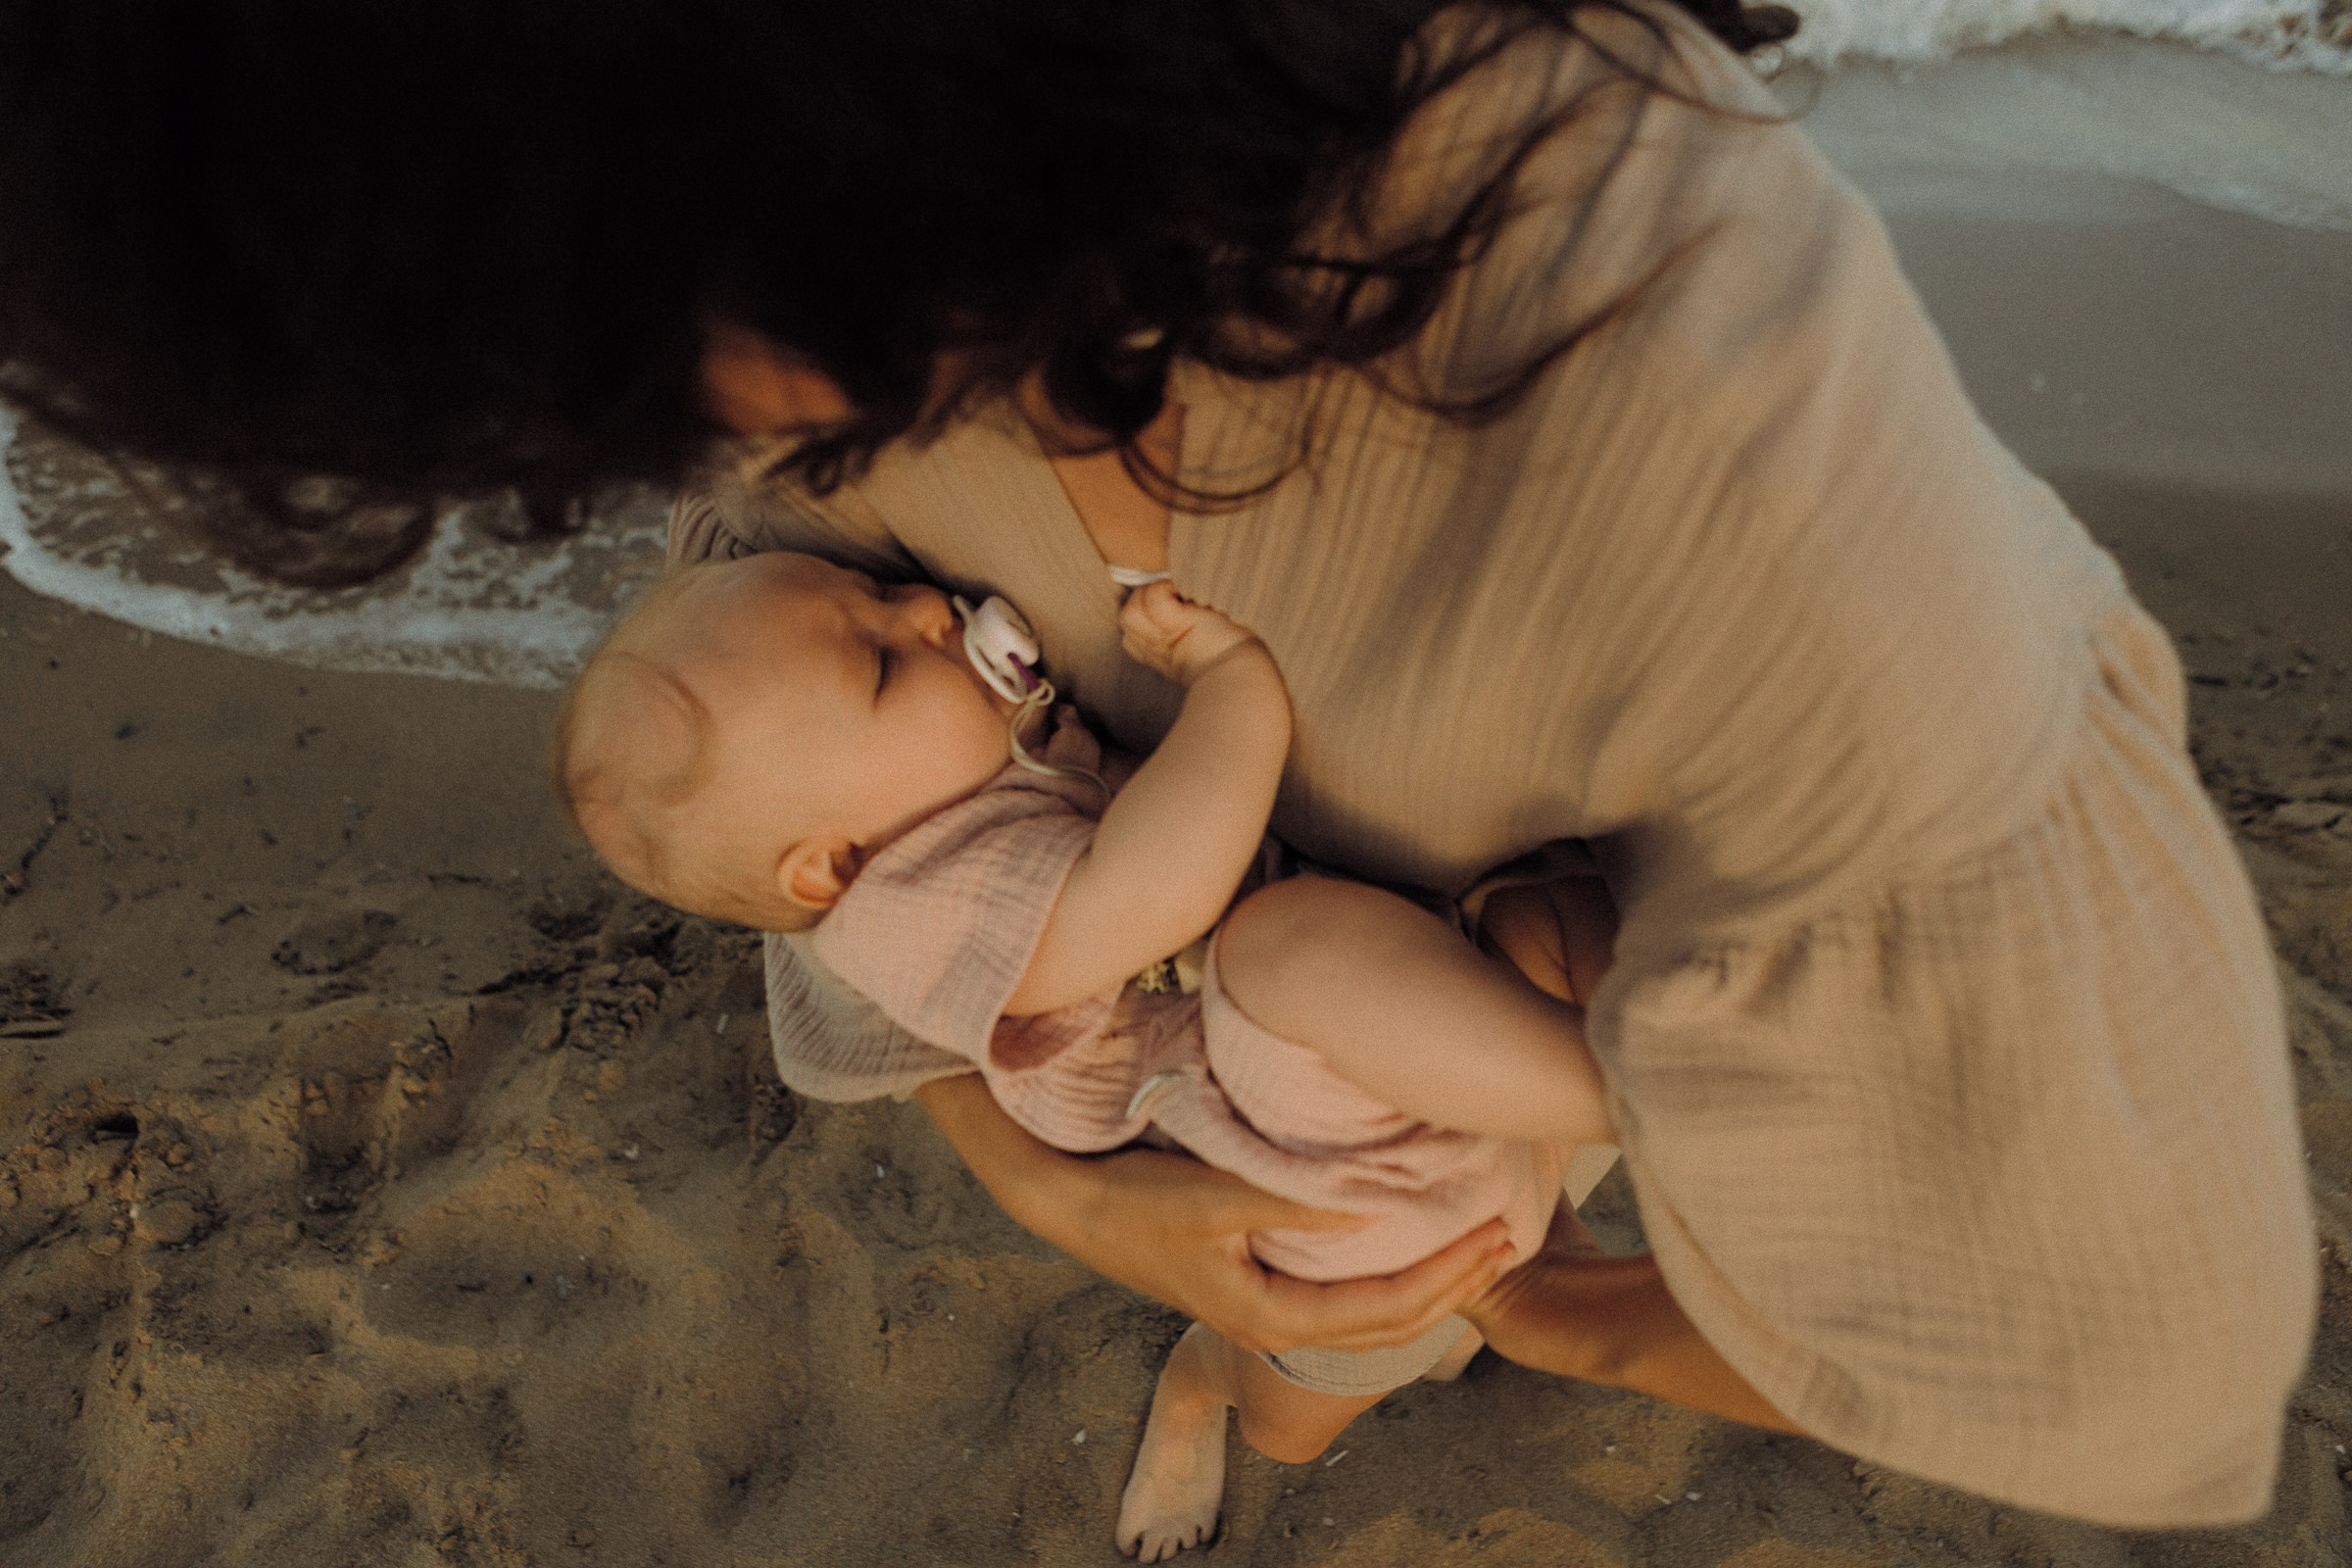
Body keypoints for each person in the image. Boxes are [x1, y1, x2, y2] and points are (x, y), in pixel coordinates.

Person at [0, 0, 2313, 1527]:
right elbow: (817, 719)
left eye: (598, 358)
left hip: (1405, 1116)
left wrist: (1562, 1303)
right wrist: (1062, 1193)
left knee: (1368, 1281)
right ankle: (1236, 1396)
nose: (699, 454)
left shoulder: (1718, 469)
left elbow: (2134, 1362)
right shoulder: (801, 315)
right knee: (1295, 1344)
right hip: (1271, 1149)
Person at [554, 549, 1638, 1558]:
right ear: (830, 862)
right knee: (1292, 1423)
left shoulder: (930, 790)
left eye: (873, 588)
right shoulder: (909, 908)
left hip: (1437, 1041)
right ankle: (1199, 1380)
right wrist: (1231, 685)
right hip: (1328, 1181)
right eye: (883, 660)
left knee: (1525, 1083)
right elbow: (1159, 888)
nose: (925, 606)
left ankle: (1632, 1099)